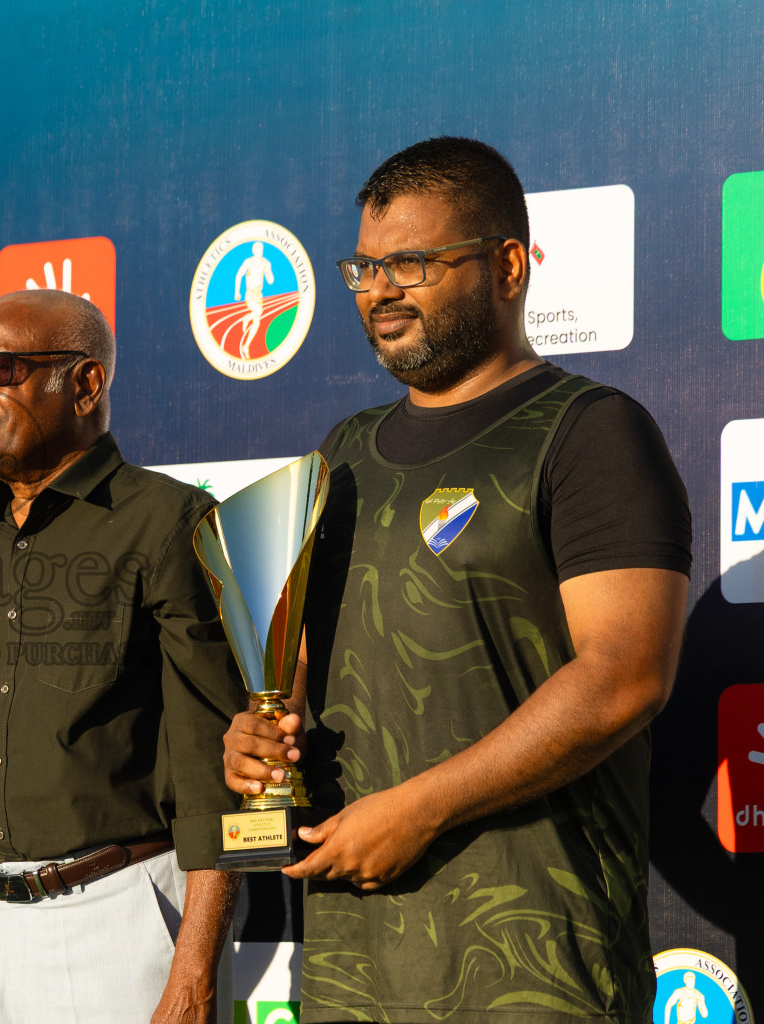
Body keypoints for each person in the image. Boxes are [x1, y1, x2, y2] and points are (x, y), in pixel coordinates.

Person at [222, 137, 691, 1023]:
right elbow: (295, 671)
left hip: (534, 971)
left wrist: (419, 810)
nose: (379, 291)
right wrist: (256, 735)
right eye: (364, 267)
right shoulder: (342, 454)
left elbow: (623, 676)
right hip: (348, 977)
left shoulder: (591, 433)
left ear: (508, 266)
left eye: (412, 263)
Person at [0, 290, 247, 1024]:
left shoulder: (167, 522)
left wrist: (193, 971)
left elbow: (212, 769)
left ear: (86, 384)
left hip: (125, 915)